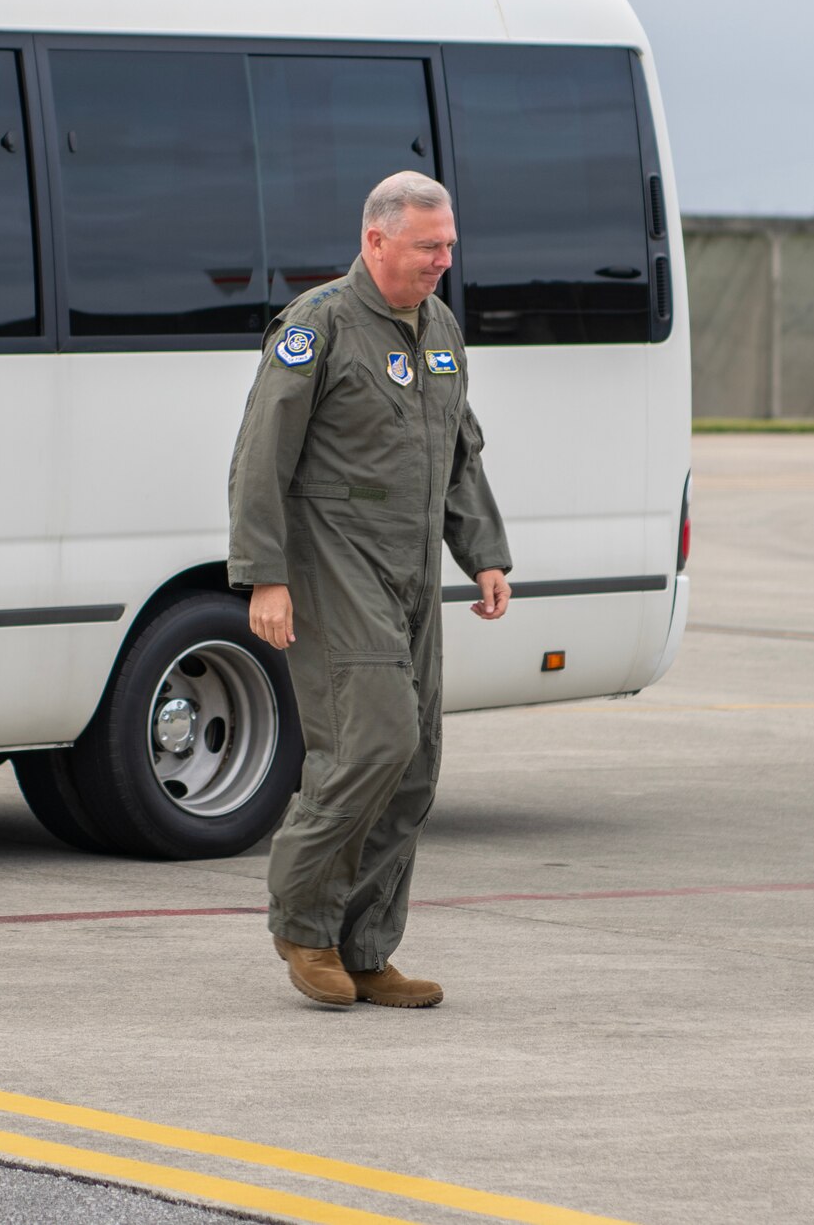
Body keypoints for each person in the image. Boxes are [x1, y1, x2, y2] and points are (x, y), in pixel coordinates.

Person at [228, 170, 512, 1010]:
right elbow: (259, 456)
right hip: (335, 561)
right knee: (373, 742)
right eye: (428, 246)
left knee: (417, 766)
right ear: (376, 240)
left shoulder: (440, 327)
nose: (443, 261)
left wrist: (484, 552)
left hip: (414, 567)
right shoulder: (318, 326)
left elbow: (457, 450)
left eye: (449, 246)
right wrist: (264, 577)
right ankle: (302, 923)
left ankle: (365, 947)